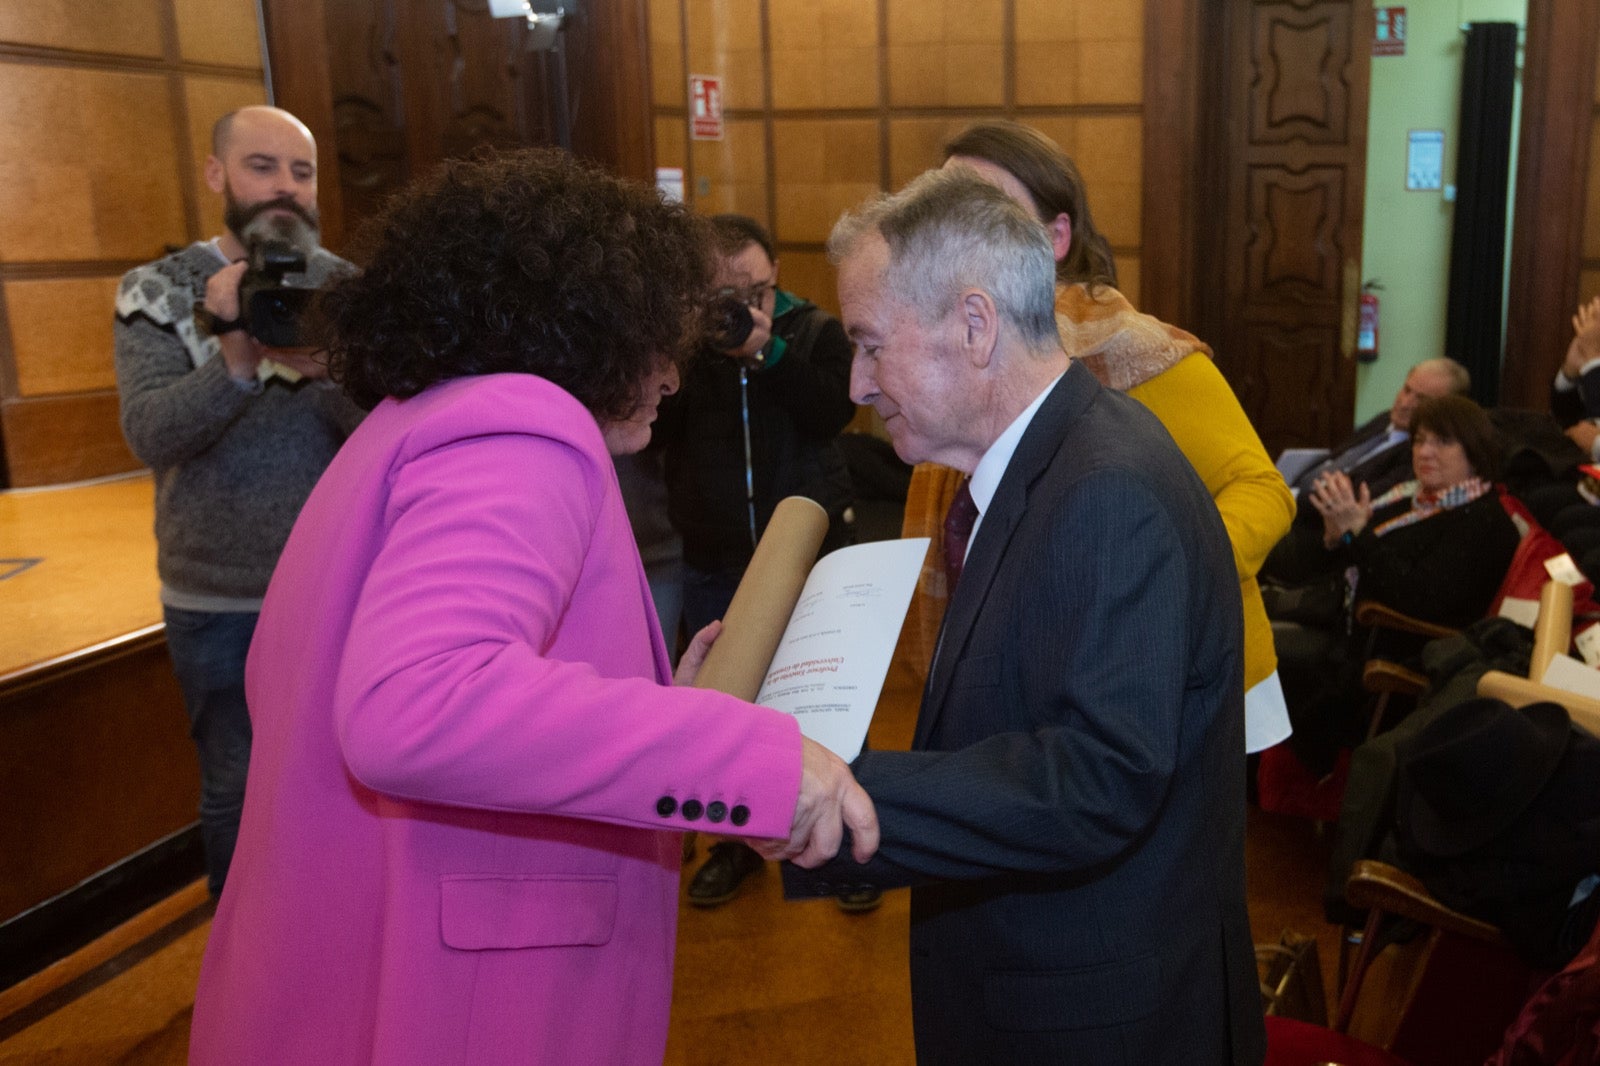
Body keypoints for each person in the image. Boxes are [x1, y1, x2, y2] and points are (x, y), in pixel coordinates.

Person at [188, 150, 878, 1065]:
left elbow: (448, 671)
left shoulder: (419, 418)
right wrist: (756, 760)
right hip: (460, 1001)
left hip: (342, 956)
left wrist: (664, 697)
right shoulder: (523, 428)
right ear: (586, 327)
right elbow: (417, 702)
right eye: (654, 342)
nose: (671, 379)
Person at [782, 168, 1265, 1063]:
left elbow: (1096, 776)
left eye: (870, 344)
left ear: (974, 325)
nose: (855, 383)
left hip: (1100, 1020)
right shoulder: (1043, 462)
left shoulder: (1106, 488)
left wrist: (845, 796)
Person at [930, 119, 1296, 754]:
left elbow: (1263, 491)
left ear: (1057, 238)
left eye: (987, 212)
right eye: (942, 214)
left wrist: (1149, 578)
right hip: (1031, 671)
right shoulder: (952, 360)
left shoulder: (1144, 355)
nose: (958, 235)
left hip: (1170, 665)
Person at [113, 105, 362, 897]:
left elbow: (387, 434)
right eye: (262, 166)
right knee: (235, 789)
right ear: (218, 175)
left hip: (340, 586)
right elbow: (152, 433)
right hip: (215, 599)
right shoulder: (156, 290)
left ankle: (335, 945)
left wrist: (325, 367)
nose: (285, 188)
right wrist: (235, 353)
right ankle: (247, 976)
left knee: (350, 780)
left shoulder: (349, 290)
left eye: (301, 171)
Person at [653, 214, 864, 909]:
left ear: (777, 279)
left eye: (760, 290)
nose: (745, 308)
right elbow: (660, 435)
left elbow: (832, 410)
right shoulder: (686, 352)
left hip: (808, 555)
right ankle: (733, 847)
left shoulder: (814, 332)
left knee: (827, 710)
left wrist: (767, 353)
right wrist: (698, 351)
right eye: (726, 295)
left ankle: (849, 844)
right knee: (726, 709)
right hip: (716, 553)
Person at [1271, 394, 1522, 776]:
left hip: (1389, 646)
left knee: (1260, 648)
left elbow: (1418, 596)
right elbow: (1359, 558)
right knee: (1247, 619)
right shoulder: (1417, 498)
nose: (1425, 452)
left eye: (1442, 441)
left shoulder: (1484, 522)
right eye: (1420, 440)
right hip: (1347, 615)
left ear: (1474, 449)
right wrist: (1338, 536)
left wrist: (1358, 534)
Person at [1262, 357, 1470, 586]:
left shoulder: (1419, 456)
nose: (1405, 402)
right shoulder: (1385, 420)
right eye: (1407, 389)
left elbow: (1357, 502)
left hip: (1316, 531)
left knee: (1238, 542)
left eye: (1421, 399)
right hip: (1295, 504)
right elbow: (1338, 459)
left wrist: (1289, 496)